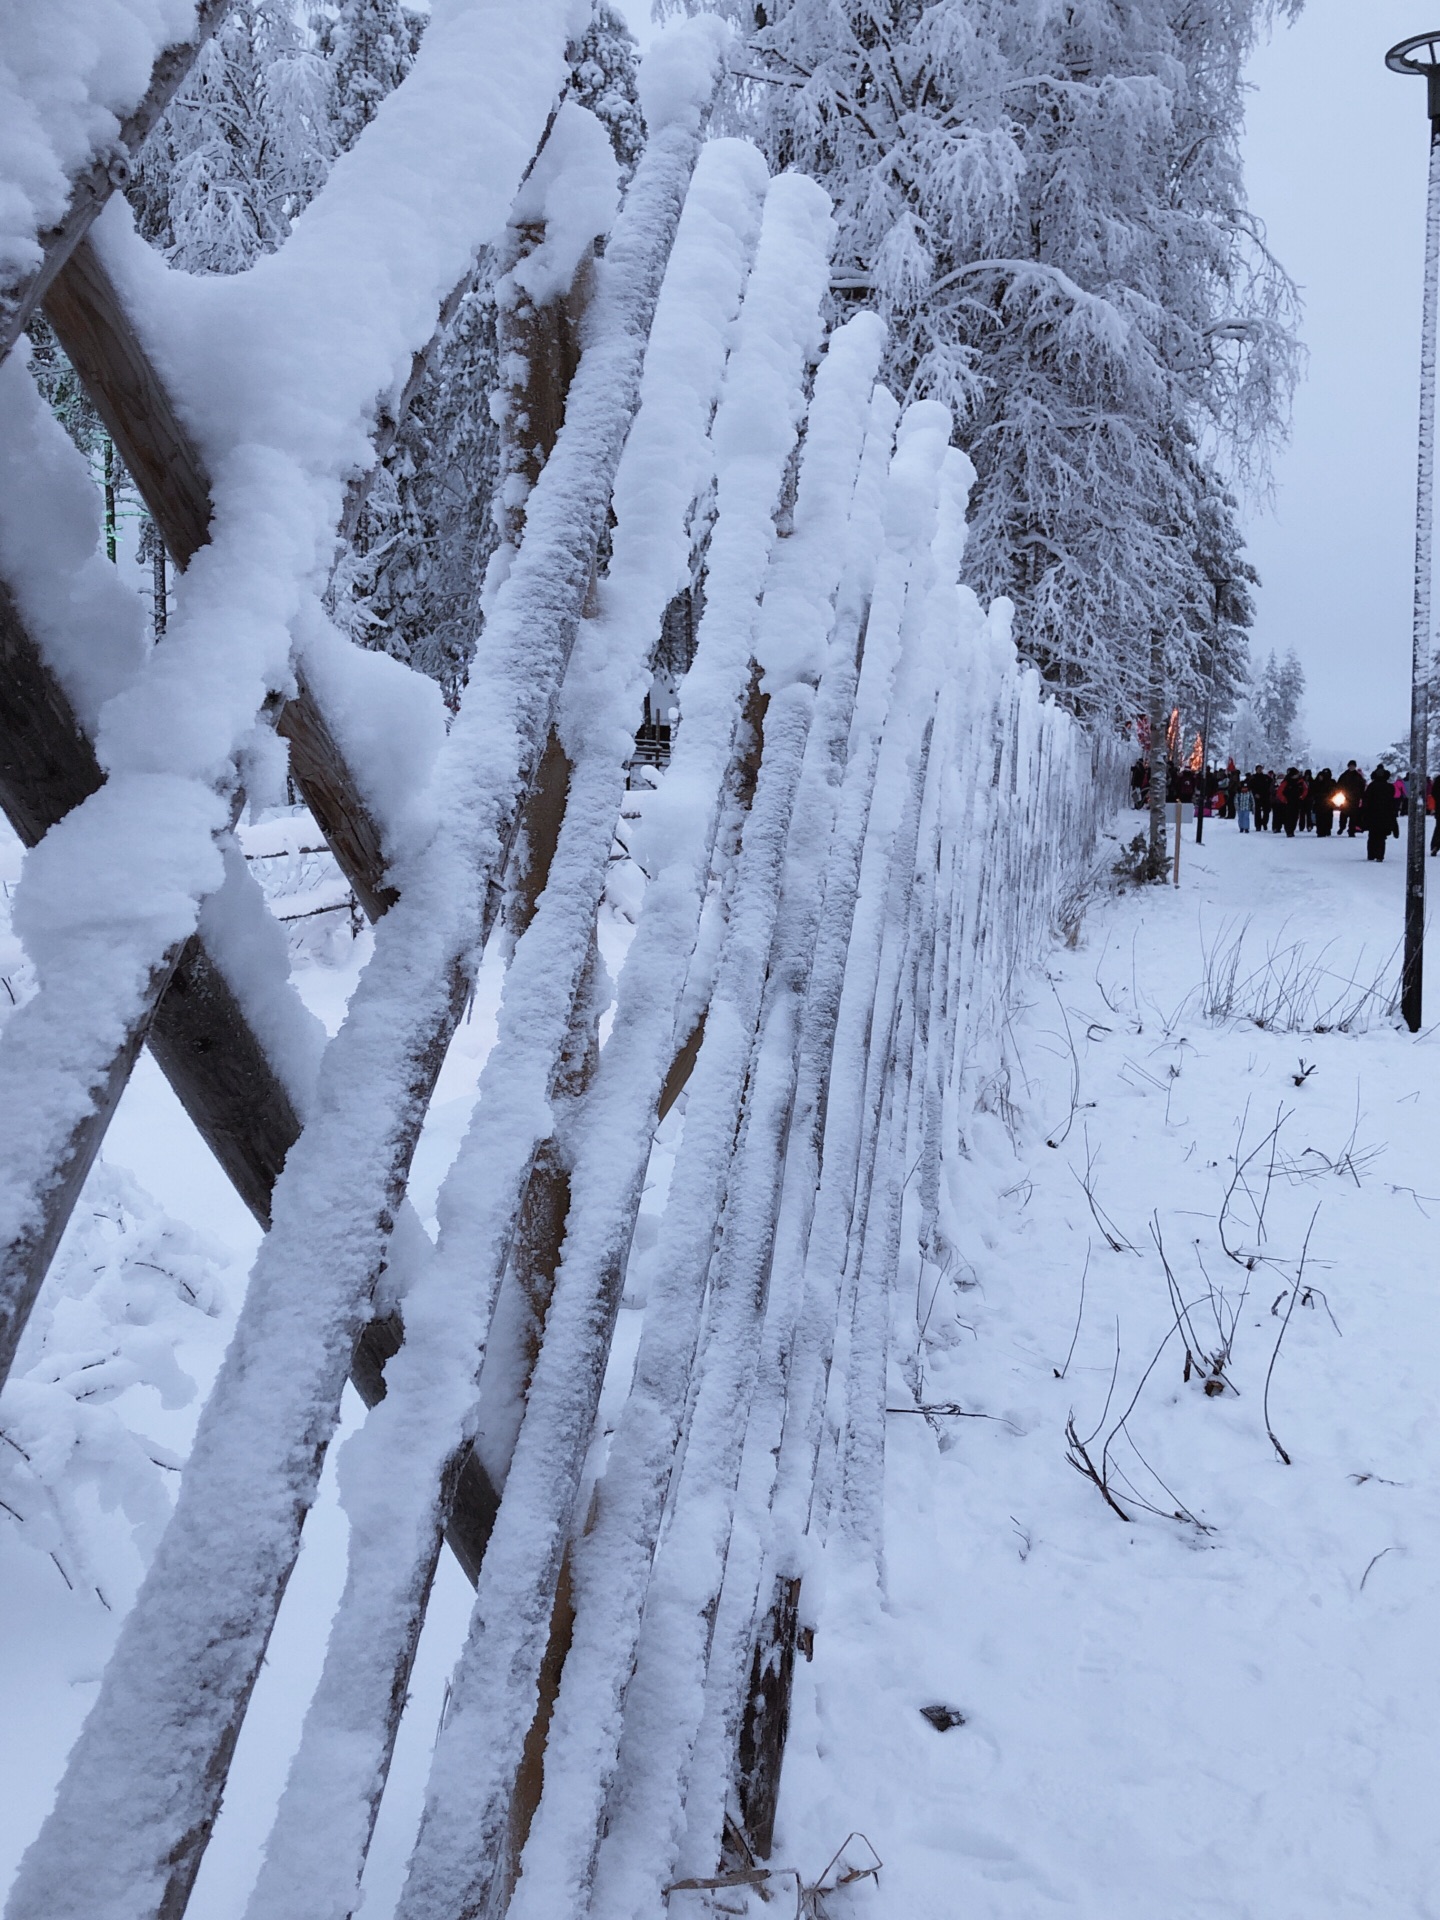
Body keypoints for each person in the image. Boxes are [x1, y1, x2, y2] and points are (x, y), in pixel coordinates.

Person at [1362, 765, 1400, 862]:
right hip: (1385, 815)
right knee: (1381, 837)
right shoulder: (1389, 787)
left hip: (1373, 814)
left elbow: (1366, 801)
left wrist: (1364, 814)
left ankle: (1371, 854)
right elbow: (1392, 802)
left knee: (1372, 836)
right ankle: (1379, 855)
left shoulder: (1372, 786)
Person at [1337, 759, 1366, 837]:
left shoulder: (1358, 776)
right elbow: (1338, 785)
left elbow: (1362, 786)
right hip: (1345, 798)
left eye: (1353, 766)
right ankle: (1342, 827)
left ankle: (1351, 831)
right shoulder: (1344, 775)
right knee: (1343, 815)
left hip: (1355, 799)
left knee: (1353, 817)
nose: (1352, 767)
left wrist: (1362, 796)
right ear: (1348, 766)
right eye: (1350, 766)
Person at [1314, 768, 1335, 838]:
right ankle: (1320, 831)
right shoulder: (1316, 783)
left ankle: (1327, 830)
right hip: (1319, 803)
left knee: (1328, 817)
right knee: (1320, 817)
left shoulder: (1331, 782)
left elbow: (1335, 790)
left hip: (1328, 802)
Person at [1251, 765, 1272, 831]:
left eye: (1260, 769)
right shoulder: (1253, 777)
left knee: (1267, 811)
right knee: (1258, 811)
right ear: (1256, 770)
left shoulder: (1266, 777)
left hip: (1266, 796)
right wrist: (1255, 794)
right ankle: (1258, 825)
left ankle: (1264, 823)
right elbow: (1251, 787)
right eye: (1258, 769)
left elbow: (1271, 783)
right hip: (1257, 796)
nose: (1260, 770)